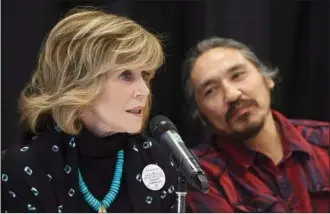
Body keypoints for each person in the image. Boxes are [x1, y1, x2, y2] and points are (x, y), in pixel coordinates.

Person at [1, 8, 178, 213]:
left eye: (145, 76)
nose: (144, 91)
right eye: (126, 75)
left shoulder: (154, 156)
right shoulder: (29, 164)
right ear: (80, 81)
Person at [181, 37, 329, 212]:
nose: (231, 95)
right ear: (201, 114)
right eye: (210, 91)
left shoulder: (324, 140)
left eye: (237, 75)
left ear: (267, 79)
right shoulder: (200, 177)